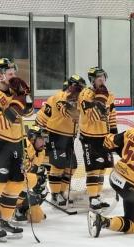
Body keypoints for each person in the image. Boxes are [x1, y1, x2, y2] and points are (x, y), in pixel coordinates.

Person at [0, 58, 32, 242]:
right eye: (10, 72)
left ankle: (4, 220)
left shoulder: (13, 92)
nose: (14, 75)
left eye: (14, 72)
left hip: (16, 143)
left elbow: (29, 112)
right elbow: (1, 123)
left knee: (16, 184)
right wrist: (18, 102)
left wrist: (24, 96)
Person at [36, 74, 86, 206]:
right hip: (56, 135)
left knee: (72, 166)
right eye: (78, 87)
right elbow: (63, 110)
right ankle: (55, 194)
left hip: (69, 137)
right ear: (71, 86)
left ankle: (62, 192)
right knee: (58, 165)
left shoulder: (78, 100)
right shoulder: (59, 96)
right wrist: (39, 132)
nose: (80, 90)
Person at [78, 67, 118, 212]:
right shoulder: (85, 95)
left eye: (103, 77)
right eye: (98, 77)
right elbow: (92, 117)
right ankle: (92, 198)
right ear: (92, 80)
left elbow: (112, 116)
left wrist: (114, 135)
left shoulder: (109, 95)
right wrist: (100, 101)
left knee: (102, 169)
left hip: (104, 136)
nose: (101, 79)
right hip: (89, 137)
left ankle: (97, 196)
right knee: (93, 169)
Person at [14, 126, 47, 223]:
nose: (44, 143)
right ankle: (12, 207)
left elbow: (35, 168)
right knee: (33, 178)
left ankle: (21, 209)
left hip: (24, 187)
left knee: (37, 217)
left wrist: (40, 188)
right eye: (41, 140)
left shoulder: (40, 151)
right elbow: (23, 172)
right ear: (32, 139)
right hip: (13, 184)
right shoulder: (25, 145)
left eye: (44, 140)